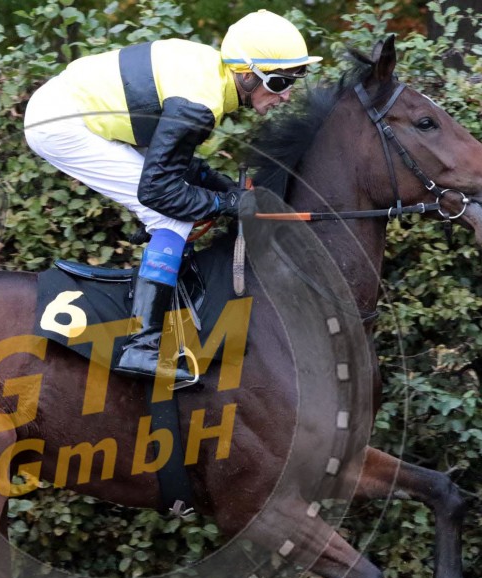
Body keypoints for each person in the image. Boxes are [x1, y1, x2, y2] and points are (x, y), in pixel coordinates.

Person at [24, 9, 321, 382]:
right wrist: (229, 203)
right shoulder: (200, 101)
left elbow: (174, 161)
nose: (286, 95)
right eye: (279, 82)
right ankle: (141, 347)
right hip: (60, 123)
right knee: (170, 215)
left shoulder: (209, 79)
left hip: (70, 109)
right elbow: (157, 189)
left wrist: (223, 188)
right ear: (246, 74)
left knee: (175, 207)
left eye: (293, 82)